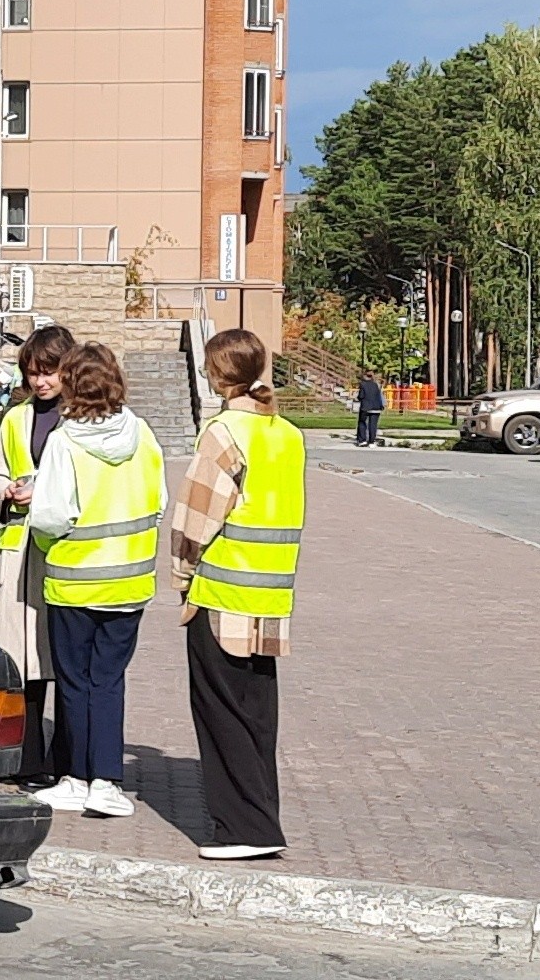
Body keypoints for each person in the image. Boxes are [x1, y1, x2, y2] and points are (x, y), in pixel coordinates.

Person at [170, 329, 305, 861]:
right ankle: (260, 817)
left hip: (222, 592)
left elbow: (195, 519)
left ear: (217, 374)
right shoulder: (288, 434)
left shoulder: (224, 432)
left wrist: (182, 577)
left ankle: (242, 829)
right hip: (271, 597)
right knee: (256, 715)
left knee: (219, 712)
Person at [27, 343, 166, 818]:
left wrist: (48, 549)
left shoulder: (64, 441)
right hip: (128, 581)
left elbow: (48, 516)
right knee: (108, 680)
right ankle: (106, 780)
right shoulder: (143, 434)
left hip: (73, 579)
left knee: (73, 682)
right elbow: (159, 500)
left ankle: (75, 777)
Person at [0, 325, 76, 789]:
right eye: (33, 373)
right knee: (25, 665)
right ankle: (29, 760)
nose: (40, 382)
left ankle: (69, 760)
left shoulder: (81, 418)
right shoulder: (15, 418)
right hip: (19, 551)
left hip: (65, 553)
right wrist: (7, 491)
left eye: (49, 372)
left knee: (63, 664)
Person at [356, 369, 384, 447]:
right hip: (376, 407)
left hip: (366, 407)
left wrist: (357, 398)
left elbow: (361, 396)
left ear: (365, 376)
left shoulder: (363, 384)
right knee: (373, 425)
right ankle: (372, 441)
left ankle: (362, 440)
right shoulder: (376, 385)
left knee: (362, 422)